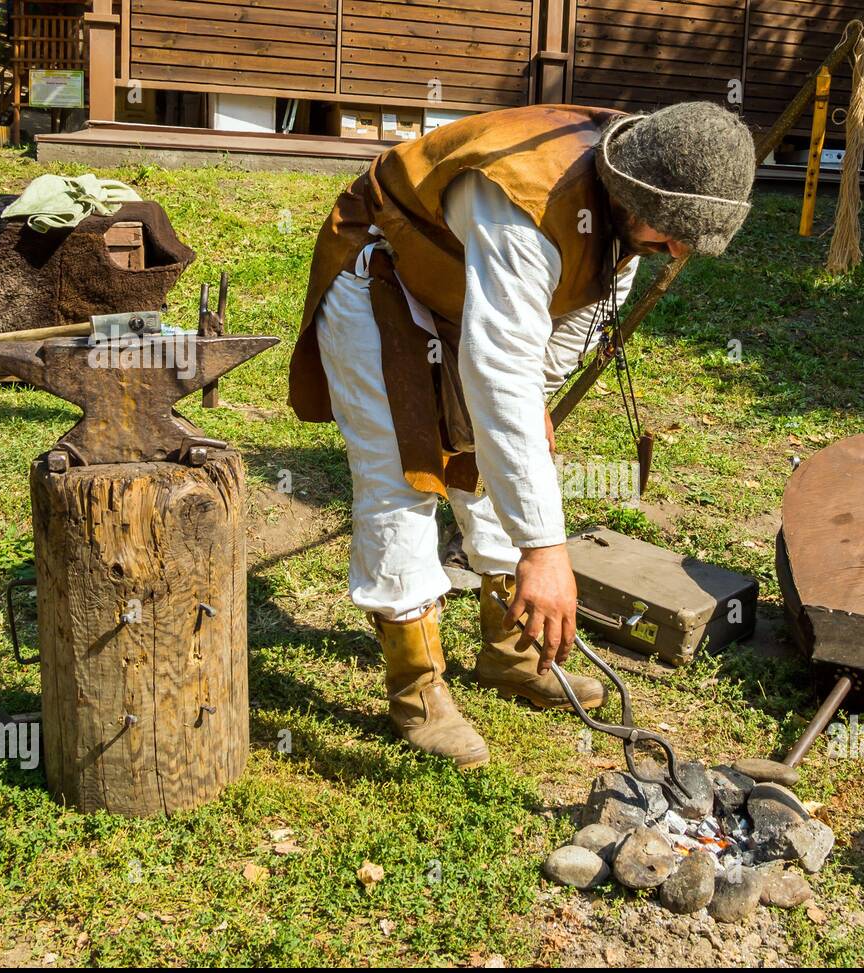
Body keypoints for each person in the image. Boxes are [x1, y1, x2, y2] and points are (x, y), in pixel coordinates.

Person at [290, 102, 756, 768]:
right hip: (383, 277)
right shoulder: (528, 203)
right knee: (404, 476)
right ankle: (416, 690)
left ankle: (509, 654)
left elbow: (579, 311)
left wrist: (533, 396)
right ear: (634, 196)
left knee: (498, 458)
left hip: (464, 294)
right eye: (674, 233)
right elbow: (496, 367)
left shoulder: (631, 199)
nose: (677, 251)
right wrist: (545, 548)